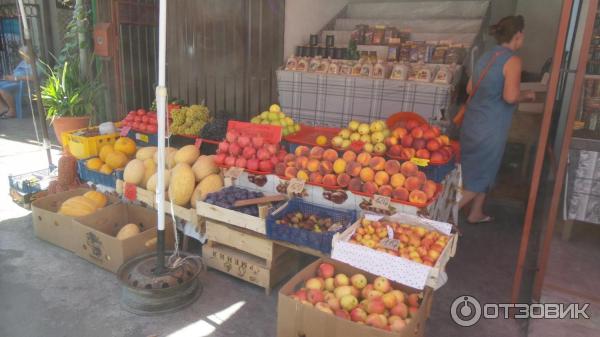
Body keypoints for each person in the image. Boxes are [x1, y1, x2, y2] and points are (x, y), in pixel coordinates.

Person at [458, 15, 535, 223]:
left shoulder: (486, 56)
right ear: (518, 35)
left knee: (480, 171)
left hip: (472, 123)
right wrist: (526, 95)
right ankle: (440, 216)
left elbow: (469, 88)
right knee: (480, 175)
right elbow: (510, 97)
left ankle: (476, 212)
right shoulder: (513, 60)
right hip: (491, 127)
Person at [0, 46, 37, 118]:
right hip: (14, 82)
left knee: (2, 89)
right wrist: (9, 77)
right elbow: (16, 73)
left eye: (23, 55)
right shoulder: (24, 62)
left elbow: (33, 78)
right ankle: (2, 108)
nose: (22, 57)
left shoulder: (36, 64)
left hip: (23, 84)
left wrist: (16, 78)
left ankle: (12, 110)